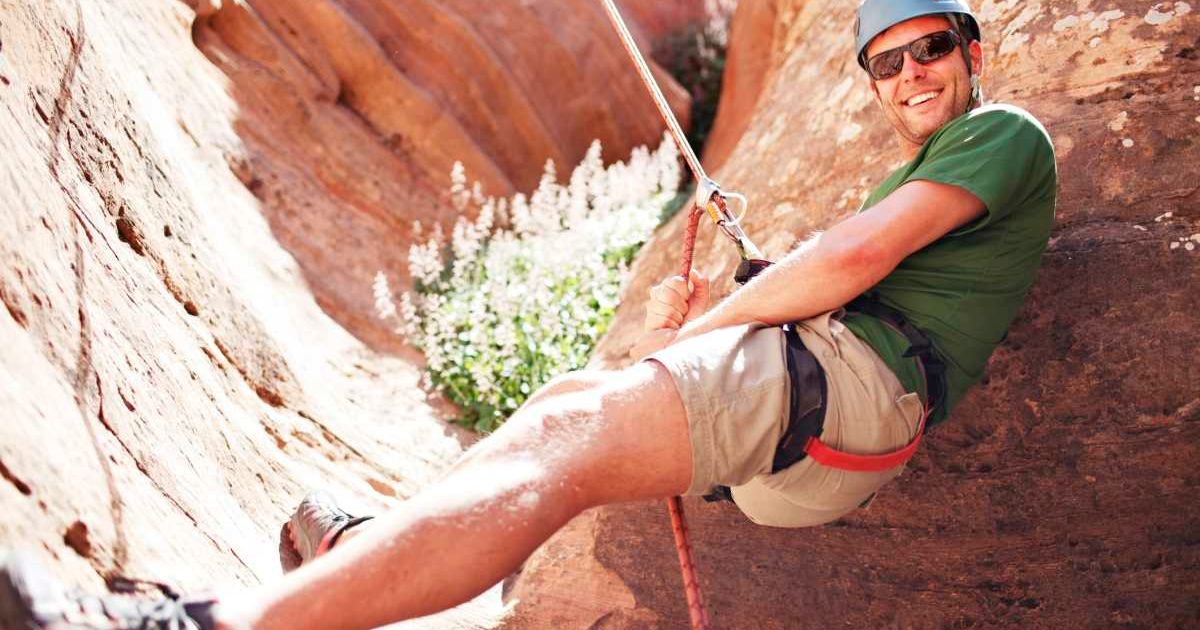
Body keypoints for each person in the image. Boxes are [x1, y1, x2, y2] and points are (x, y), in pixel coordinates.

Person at [0, 1, 1057, 628]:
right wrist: (746, 300)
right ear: (871, 87)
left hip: (847, 398)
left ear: (973, 53)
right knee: (568, 400)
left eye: (932, 50)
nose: (912, 74)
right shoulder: (927, 167)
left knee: (563, 438)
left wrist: (708, 330)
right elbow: (862, 268)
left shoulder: (1003, 134)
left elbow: (857, 259)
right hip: (831, 417)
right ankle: (391, 545)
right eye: (889, 63)